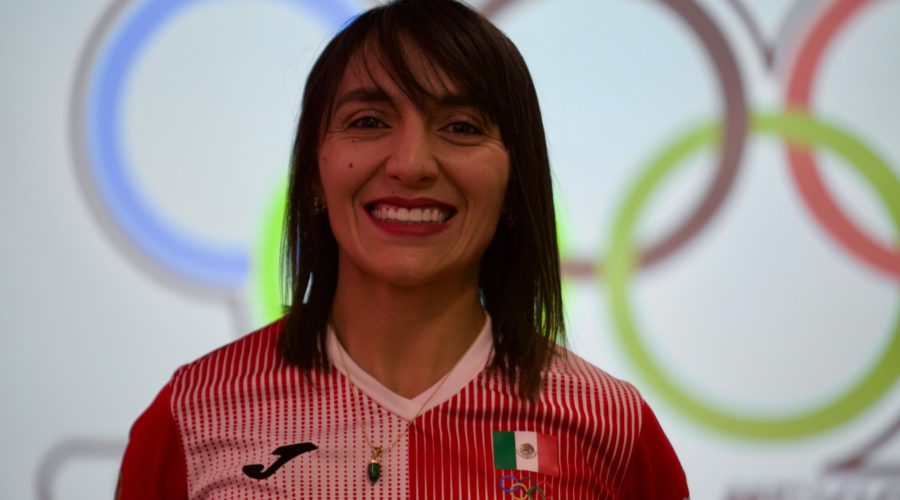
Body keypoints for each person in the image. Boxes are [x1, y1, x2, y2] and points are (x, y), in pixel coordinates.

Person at [117, 0, 689, 498]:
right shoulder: (194, 411)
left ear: (516, 182)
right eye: (368, 121)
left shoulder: (613, 426)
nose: (411, 165)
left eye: (461, 127)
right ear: (313, 172)